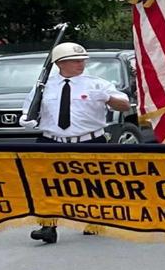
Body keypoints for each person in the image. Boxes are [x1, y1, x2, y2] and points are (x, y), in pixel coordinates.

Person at [20, 42, 131, 244]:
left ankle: (94, 219)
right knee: (48, 185)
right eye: (75, 61)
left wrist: (107, 98)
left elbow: (124, 105)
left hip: (89, 140)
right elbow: (29, 110)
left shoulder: (96, 84)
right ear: (60, 63)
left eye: (83, 61)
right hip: (52, 141)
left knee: (91, 184)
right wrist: (27, 120)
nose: (81, 64)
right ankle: (48, 226)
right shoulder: (44, 87)